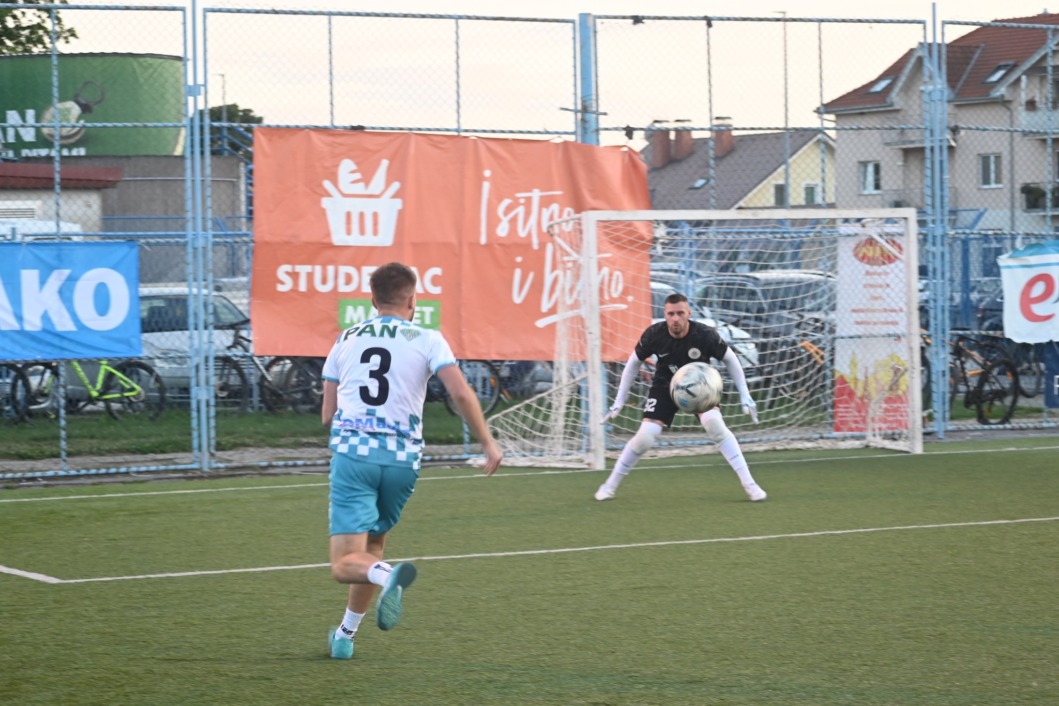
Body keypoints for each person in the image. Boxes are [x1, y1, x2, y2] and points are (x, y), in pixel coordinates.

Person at [320, 262, 503, 660]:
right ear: (413, 300)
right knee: (373, 545)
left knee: (344, 563)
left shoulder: (346, 338)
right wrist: (487, 443)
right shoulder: (428, 338)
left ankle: (387, 577)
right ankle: (346, 635)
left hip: (355, 456)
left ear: (372, 299)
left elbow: (327, 415)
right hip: (403, 461)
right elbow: (460, 392)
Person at [596, 292, 766, 503]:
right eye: (671, 314)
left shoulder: (704, 334)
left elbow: (730, 359)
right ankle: (609, 486)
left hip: (700, 386)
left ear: (689, 314)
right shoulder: (654, 334)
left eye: (680, 313)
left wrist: (745, 394)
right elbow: (633, 363)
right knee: (645, 436)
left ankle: (750, 485)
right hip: (665, 386)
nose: (675, 318)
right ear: (665, 315)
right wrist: (620, 400)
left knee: (714, 424)